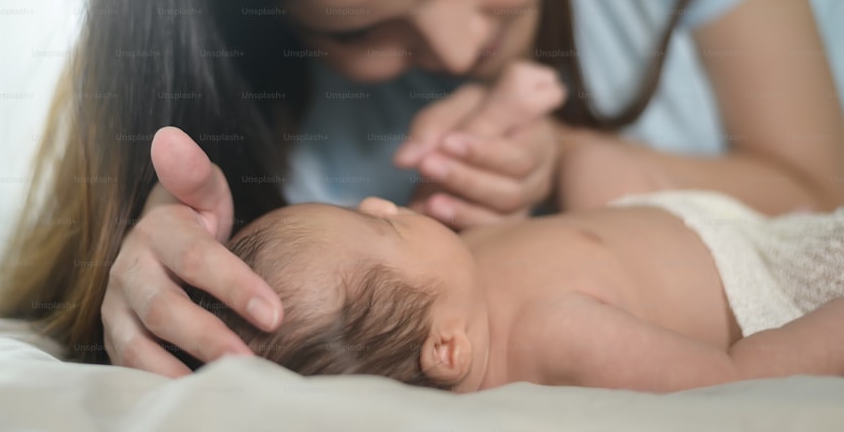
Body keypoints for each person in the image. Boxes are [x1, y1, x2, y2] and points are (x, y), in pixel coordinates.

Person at [0, 0, 844, 378]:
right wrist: (162, 277)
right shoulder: (302, 137)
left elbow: (817, 187)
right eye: (358, 29)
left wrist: (570, 159)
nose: (458, 43)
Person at [189, 193, 844, 393]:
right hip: (782, 277)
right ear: (448, 346)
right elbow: (733, 378)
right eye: (380, 223)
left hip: (723, 218)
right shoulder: (551, 334)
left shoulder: (454, 283)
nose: (379, 197)